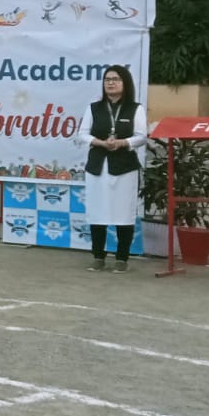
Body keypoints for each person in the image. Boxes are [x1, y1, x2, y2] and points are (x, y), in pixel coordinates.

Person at [78, 64, 147, 273]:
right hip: (98, 166)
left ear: (125, 83)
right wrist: (99, 142)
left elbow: (142, 136)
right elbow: (82, 134)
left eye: (115, 79)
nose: (110, 82)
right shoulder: (94, 108)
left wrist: (123, 143)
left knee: (123, 212)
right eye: (107, 79)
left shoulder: (135, 108)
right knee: (97, 211)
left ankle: (121, 258)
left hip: (124, 167)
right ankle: (98, 256)